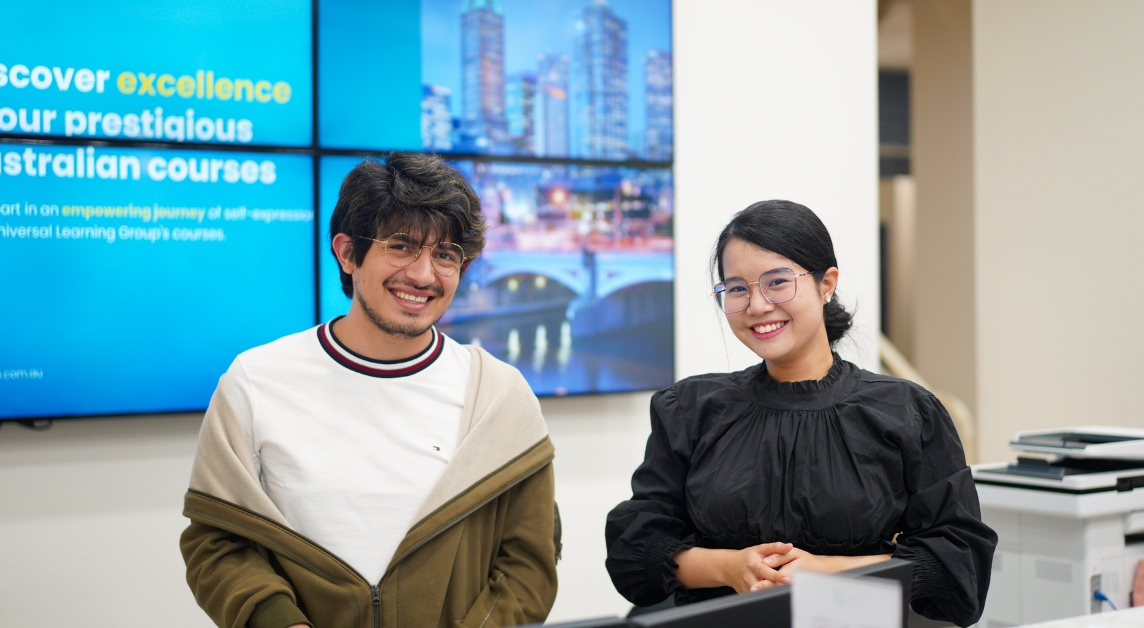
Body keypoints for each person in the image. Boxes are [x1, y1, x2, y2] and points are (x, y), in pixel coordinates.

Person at [180, 152, 559, 628]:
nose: (423, 276)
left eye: (445, 255)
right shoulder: (255, 380)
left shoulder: (499, 396)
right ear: (346, 252)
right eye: (400, 247)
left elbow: (529, 564)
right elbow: (217, 541)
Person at [605, 200, 996, 626]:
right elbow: (636, 546)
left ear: (826, 284)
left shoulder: (906, 412)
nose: (756, 305)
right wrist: (731, 568)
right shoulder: (690, 409)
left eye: (777, 282)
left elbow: (957, 566)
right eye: (736, 288)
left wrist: (824, 572)